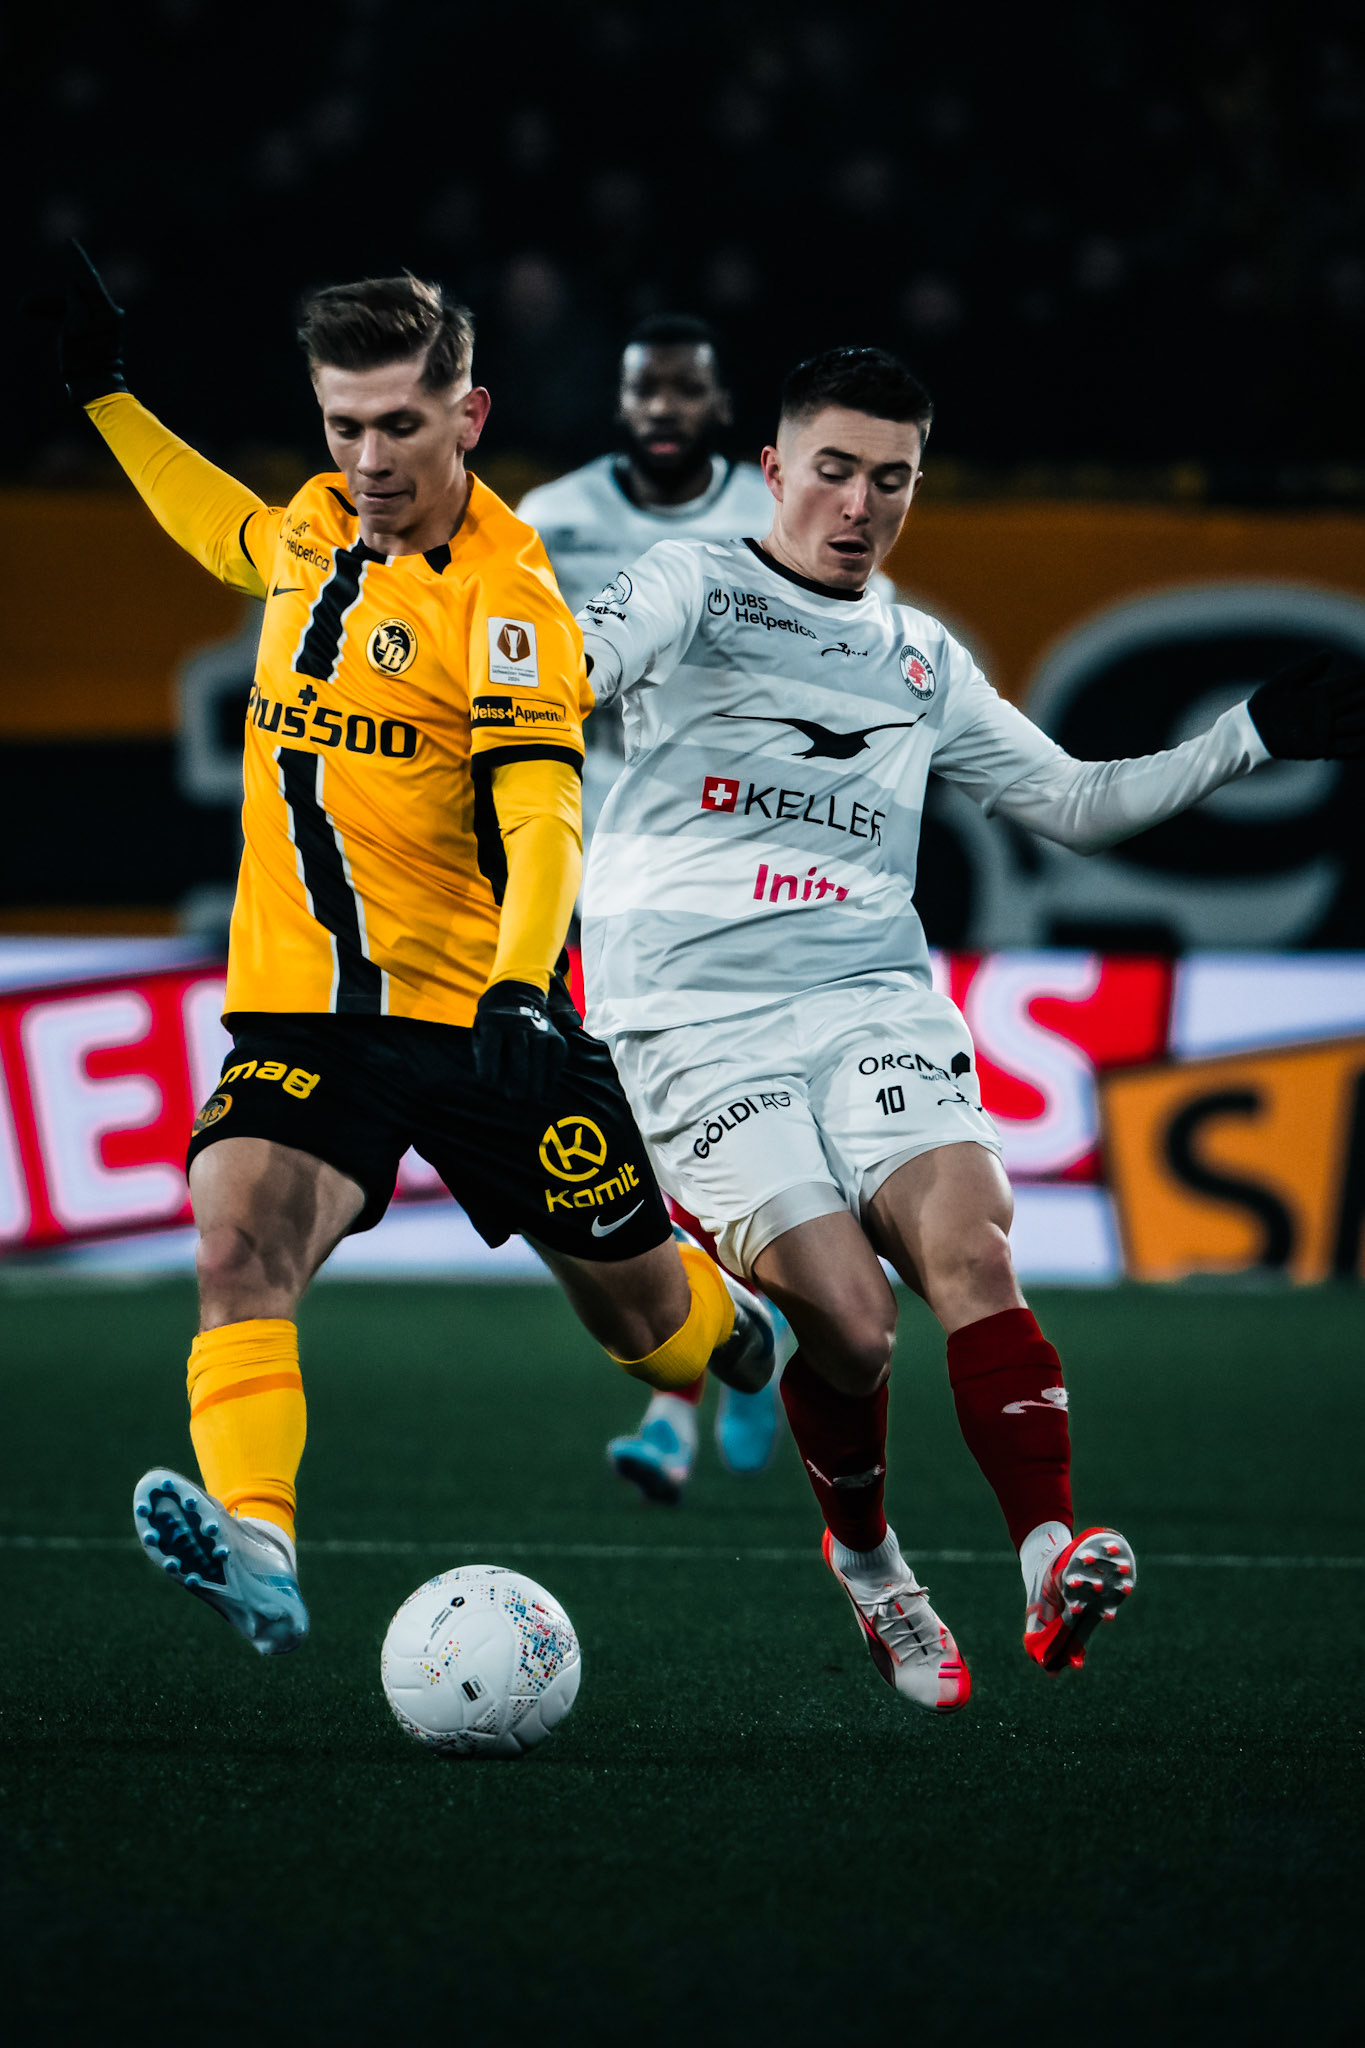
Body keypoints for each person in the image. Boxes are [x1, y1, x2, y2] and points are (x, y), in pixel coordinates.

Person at [573, 343, 1365, 1710]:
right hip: (690, 1024)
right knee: (853, 1325)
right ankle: (872, 1565)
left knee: (970, 1241)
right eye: (832, 470)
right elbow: (570, 669)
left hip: (869, 995)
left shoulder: (919, 655)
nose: (859, 504)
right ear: (772, 470)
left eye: (892, 480)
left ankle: (1046, 1551)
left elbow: (1076, 802)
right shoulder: (688, 589)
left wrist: (1250, 735)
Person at [31, 246, 777, 1657]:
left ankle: (744, 1337)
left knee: (649, 1322)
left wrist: (515, 981)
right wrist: (104, 395)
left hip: (486, 1016)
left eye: (401, 427)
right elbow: (226, 531)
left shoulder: (506, 600)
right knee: (236, 1240)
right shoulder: (312, 526)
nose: (369, 459)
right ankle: (259, 1547)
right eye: (343, 425)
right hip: (307, 1016)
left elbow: (543, 807)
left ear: (469, 416)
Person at [519, 315, 794, 1500]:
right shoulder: (549, 517)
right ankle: (741, 1358)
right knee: (640, 1133)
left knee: (722, 1129)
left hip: (743, 872)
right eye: (646, 390)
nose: (665, 408)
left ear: (719, 404)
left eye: (686, 390)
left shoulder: (773, 520)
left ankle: (691, 1396)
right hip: (600, 881)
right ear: (621, 401)